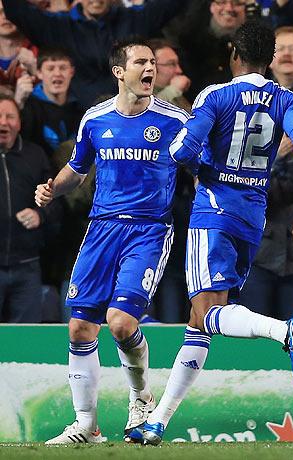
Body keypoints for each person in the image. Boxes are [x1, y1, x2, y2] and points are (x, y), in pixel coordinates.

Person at [129, 20, 293, 446]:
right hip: (254, 216)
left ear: (234, 53)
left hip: (214, 211)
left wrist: (205, 171)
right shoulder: (285, 98)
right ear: (269, 59)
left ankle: (282, 331)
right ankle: (157, 421)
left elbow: (182, 150)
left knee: (209, 314)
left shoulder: (216, 95)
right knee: (200, 323)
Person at [35, 38, 190, 444]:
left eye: (153, 62)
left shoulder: (175, 120)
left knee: (120, 324)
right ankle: (87, 425)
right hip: (101, 228)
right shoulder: (95, 119)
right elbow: (77, 168)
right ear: (119, 71)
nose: (150, 68)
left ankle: (141, 398)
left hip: (150, 230)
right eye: (141, 62)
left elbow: (201, 162)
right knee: (80, 328)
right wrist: (53, 188)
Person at [3, 0, 188, 109]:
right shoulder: (60, 26)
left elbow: (172, 4)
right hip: (80, 122)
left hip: (132, 117)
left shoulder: (134, 19)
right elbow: (16, 10)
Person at [0, 94, 59, 323]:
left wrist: (40, 214)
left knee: (24, 342)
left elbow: (57, 201)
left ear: (19, 123)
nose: (3, 122)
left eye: (10, 116)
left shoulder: (35, 156)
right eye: (0, 117)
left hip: (27, 268)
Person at [21, 46, 83, 157]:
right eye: (50, 68)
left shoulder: (81, 106)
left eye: (63, 68)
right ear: (39, 73)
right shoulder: (28, 106)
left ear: (72, 72)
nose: (57, 73)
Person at [147, 39, 191, 112]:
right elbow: (149, 113)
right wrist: (173, 90)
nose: (179, 70)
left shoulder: (169, 88)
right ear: (152, 67)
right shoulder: (139, 94)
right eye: (171, 64)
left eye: (177, 63)